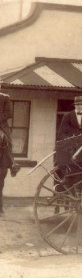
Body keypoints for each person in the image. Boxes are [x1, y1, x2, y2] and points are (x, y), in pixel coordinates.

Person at [0, 80, 20, 216]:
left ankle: (11, 162)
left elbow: (8, 113)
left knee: (7, 142)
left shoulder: (5, 98)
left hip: (2, 126)